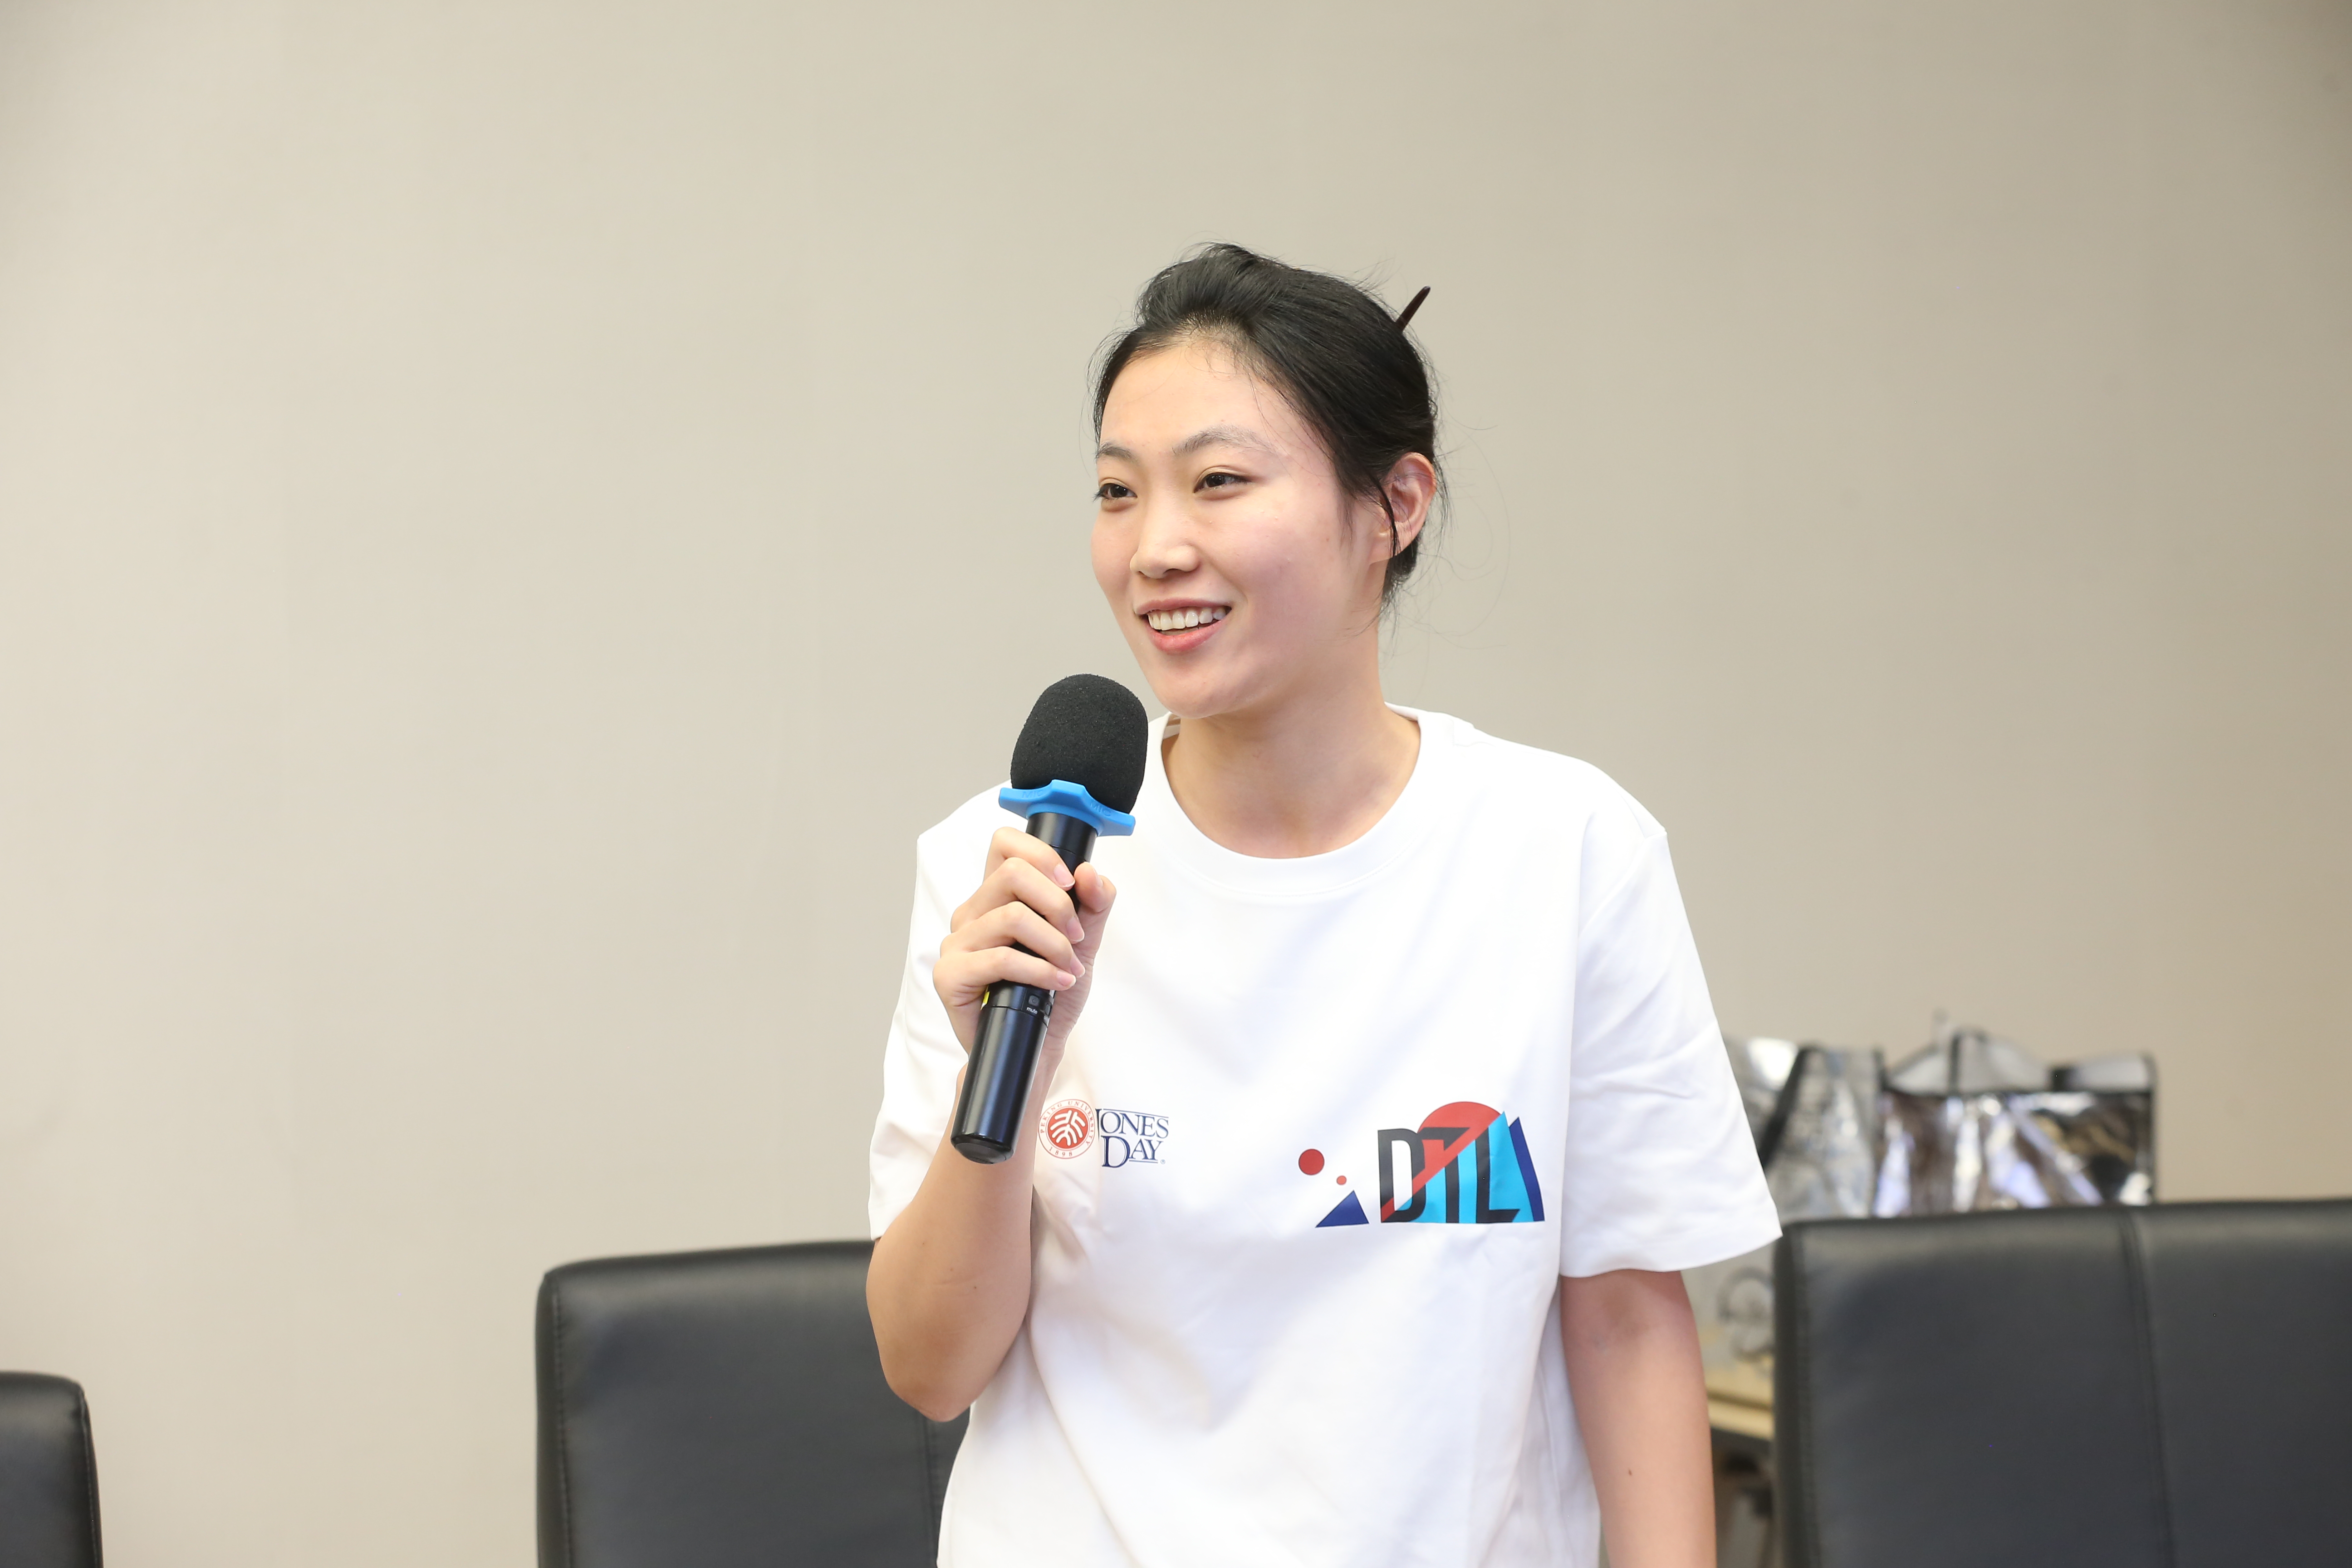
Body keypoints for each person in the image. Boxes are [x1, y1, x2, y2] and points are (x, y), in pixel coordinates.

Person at [866, 243, 1777, 1568]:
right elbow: (929, 1367)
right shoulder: (1007, 870)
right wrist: (1015, 1069)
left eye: (1219, 482)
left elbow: (1628, 1326)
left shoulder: (1569, 850)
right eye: (1118, 492)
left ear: (1393, 505)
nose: (1154, 548)